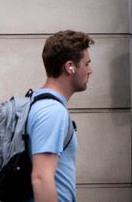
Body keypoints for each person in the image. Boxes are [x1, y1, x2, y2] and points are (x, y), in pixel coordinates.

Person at [27, 30, 94, 202]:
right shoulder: (52, 111)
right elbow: (41, 178)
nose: (90, 70)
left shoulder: (35, 101)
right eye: (87, 64)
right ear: (70, 67)